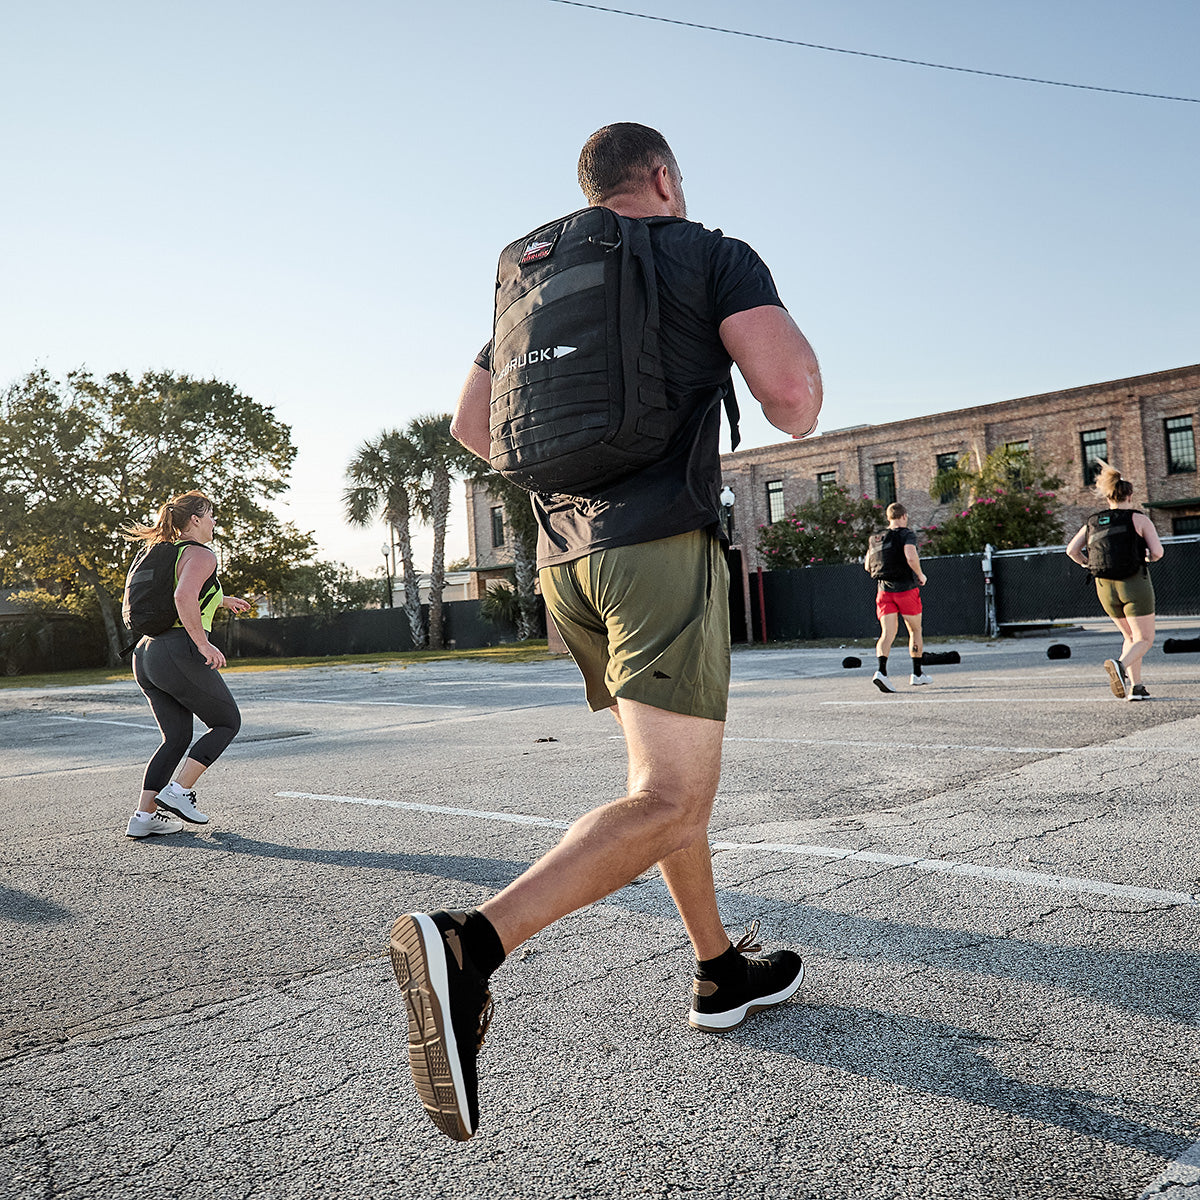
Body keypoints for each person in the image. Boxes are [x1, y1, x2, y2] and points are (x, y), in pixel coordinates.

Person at [389, 122, 823, 1142]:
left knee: (663, 789)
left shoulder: (534, 272)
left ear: (591, 189)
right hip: (658, 546)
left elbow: (470, 424)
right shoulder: (707, 250)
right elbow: (794, 401)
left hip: (563, 559)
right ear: (663, 177)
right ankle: (470, 945)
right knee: (672, 796)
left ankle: (718, 970)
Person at [121, 491, 250, 837]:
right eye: (210, 516)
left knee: (176, 737)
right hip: (177, 651)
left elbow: (180, 591)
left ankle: (144, 817)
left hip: (145, 655)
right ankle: (178, 792)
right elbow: (182, 596)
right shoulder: (201, 554)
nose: (214, 522)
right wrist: (203, 642)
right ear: (194, 520)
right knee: (226, 722)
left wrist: (222, 600)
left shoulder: (163, 552)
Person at [1065, 461, 1164, 700]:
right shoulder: (1139, 519)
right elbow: (1158, 552)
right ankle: (1119, 666)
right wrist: (1148, 558)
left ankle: (1136, 687)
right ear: (1130, 495)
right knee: (1145, 639)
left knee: (1130, 637)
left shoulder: (1093, 521)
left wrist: (1087, 563)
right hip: (1133, 583)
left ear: (1108, 497)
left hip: (1104, 586)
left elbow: (1071, 550)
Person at [869, 502, 929, 692]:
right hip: (905, 589)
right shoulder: (906, 534)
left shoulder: (876, 537)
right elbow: (911, 556)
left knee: (887, 634)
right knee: (915, 630)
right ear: (904, 516)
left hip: (884, 591)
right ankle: (917, 674)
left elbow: (867, 566)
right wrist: (920, 574)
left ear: (888, 518)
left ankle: (881, 672)